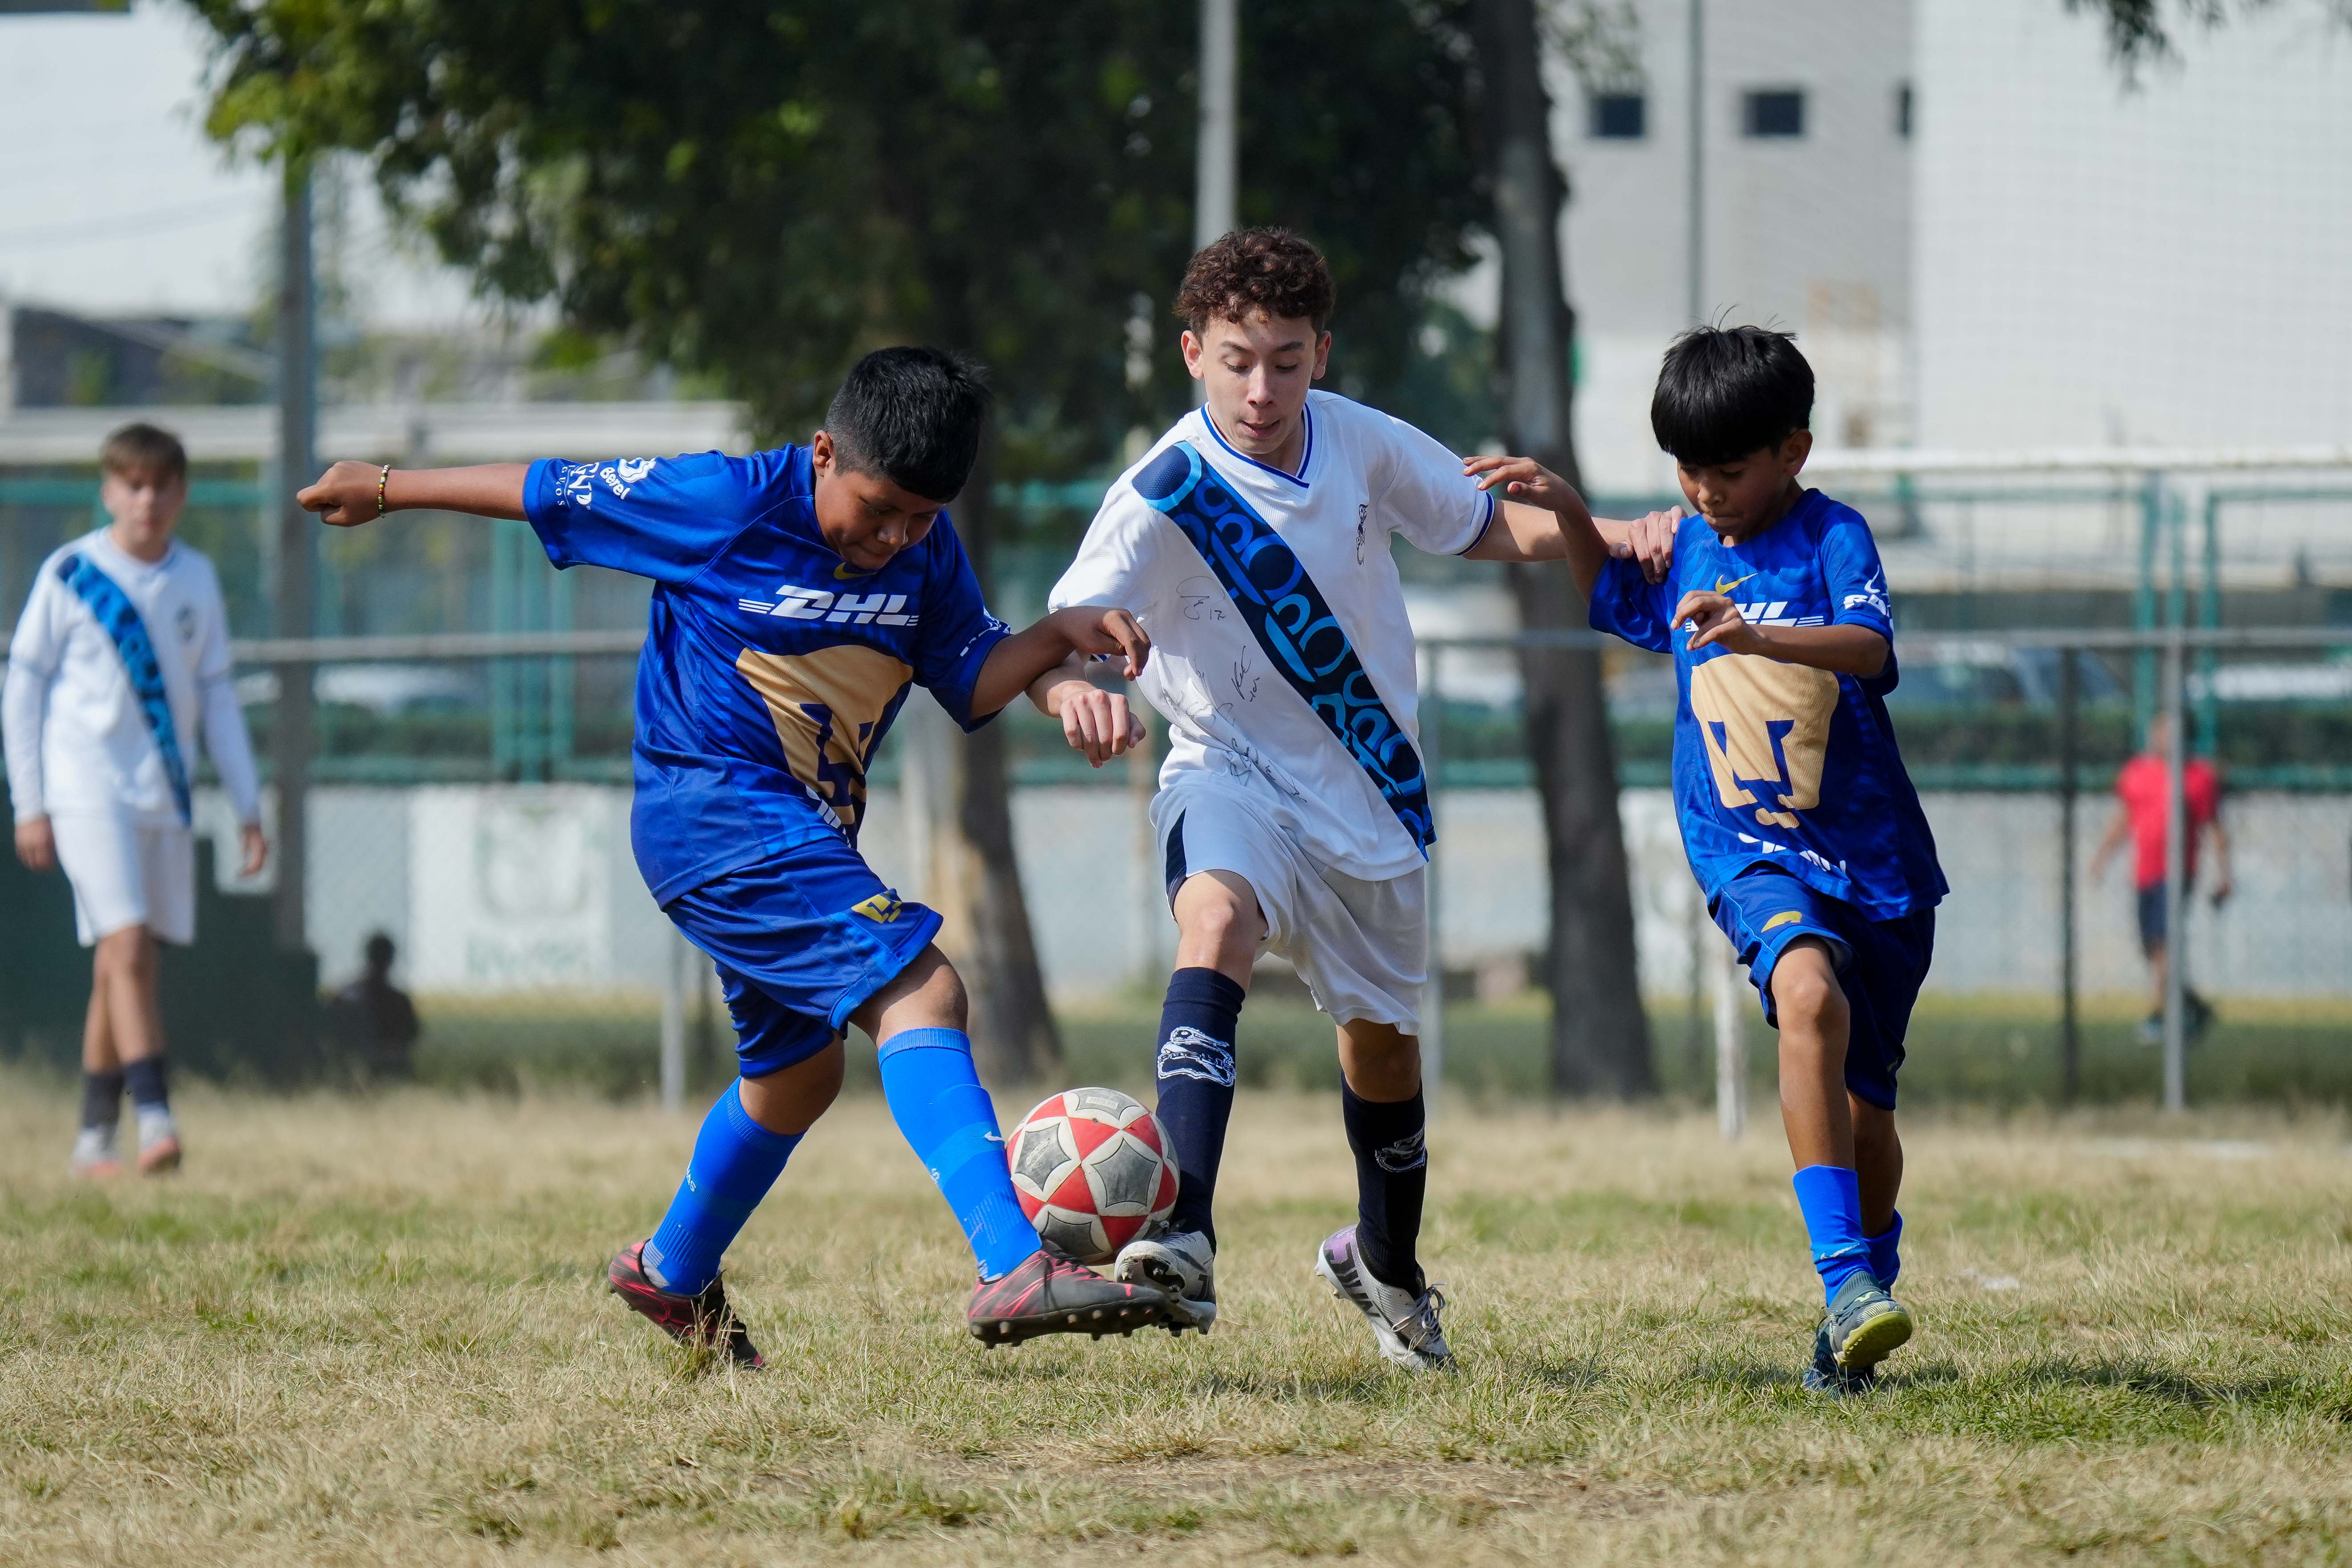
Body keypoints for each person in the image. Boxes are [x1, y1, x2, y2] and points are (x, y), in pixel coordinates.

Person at [296, 347, 1173, 1367]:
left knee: (796, 1077)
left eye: (921, 519)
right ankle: (1012, 1264)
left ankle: (670, 1268)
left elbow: (972, 676)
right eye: (878, 508)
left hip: (792, 835)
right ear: (822, 451)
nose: (894, 538)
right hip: (712, 811)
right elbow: (545, 489)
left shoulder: (925, 552)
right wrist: (392, 488)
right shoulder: (723, 499)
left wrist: (1061, 649)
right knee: (924, 989)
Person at [1036, 229, 1654, 1370]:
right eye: (1235, 360)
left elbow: (1471, 520)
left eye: (1284, 358)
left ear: (1321, 352)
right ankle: (1181, 1227)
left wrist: (1607, 531)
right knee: (1213, 919)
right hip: (1225, 770)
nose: (1259, 387)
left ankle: (1386, 1265)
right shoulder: (1159, 492)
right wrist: (1067, 687)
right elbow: (1059, 631)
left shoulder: (1362, 443)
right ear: (1192, 354)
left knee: (1383, 1051)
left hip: (1373, 800)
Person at [1513, 324, 1947, 1394]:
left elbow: (1872, 651)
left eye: (1729, 468)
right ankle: (1844, 1278)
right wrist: (1574, 511)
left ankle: (1853, 1313)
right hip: (1748, 849)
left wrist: (1756, 634)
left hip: (1877, 860)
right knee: (1805, 994)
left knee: (1871, 1116)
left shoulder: (1833, 536)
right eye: (1686, 469)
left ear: (1793, 452)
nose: (1705, 490)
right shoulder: (1684, 545)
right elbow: (1611, 600)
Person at [4, 423, 269, 1179]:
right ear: (108, 489)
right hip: (84, 790)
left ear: (181, 494)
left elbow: (217, 697)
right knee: (126, 948)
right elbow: (22, 688)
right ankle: (155, 1113)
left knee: (121, 964)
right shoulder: (70, 573)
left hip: (164, 794)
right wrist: (32, 800)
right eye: (132, 483)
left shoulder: (196, 579)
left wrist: (248, 804)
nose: (146, 499)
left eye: (160, 485)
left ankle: (93, 1137)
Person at [2090, 710, 2230, 1044]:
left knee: (2165, 943)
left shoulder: (2198, 777)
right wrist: (2100, 860)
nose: (2166, 738)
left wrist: (2224, 876)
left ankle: (2159, 1014)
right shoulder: (2137, 773)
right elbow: (2122, 822)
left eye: (2173, 732)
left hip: (2177, 873)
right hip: (2145, 875)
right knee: (2152, 947)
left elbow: (2215, 829)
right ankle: (2194, 1006)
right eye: (2161, 731)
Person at [329, 930, 422, 1082]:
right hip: (386, 1064)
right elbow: (411, 1035)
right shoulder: (398, 1001)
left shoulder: (346, 995)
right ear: (391, 960)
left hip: (352, 1060)